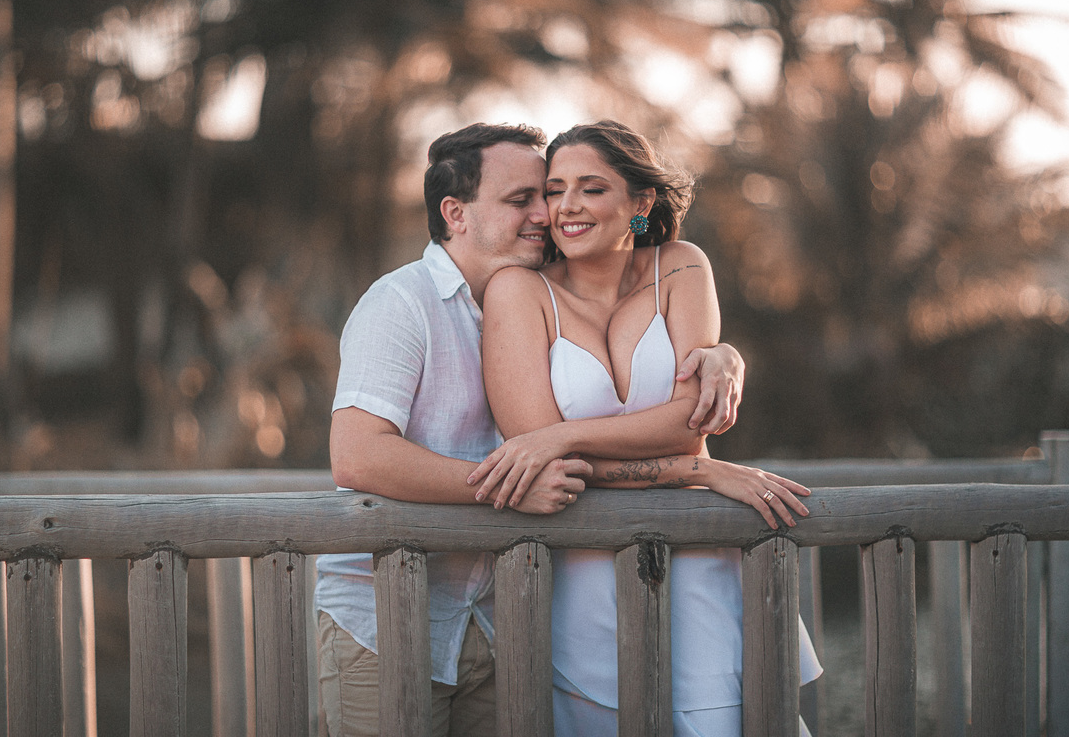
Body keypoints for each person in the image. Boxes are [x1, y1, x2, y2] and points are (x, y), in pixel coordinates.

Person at [316, 122, 749, 737]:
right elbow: (358, 457)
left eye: (544, 196)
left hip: (499, 612)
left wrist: (724, 354)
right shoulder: (401, 304)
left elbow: (595, 411)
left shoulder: (526, 289)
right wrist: (514, 485)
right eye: (526, 199)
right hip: (388, 614)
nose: (548, 214)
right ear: (455, 213)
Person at [473, 120, 822, 736]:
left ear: (641, 202)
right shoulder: (518, 291)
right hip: (580, 571)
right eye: (555, 190)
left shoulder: (682, 267)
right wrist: (696, 470)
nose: (567, 206)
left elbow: (687, 421)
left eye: (591, 188)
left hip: (698, 557)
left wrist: (563, 434)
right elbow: (544, 464)